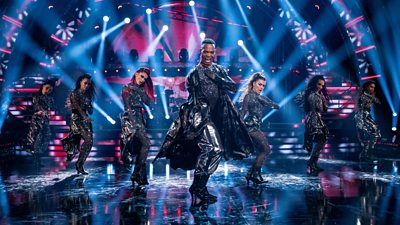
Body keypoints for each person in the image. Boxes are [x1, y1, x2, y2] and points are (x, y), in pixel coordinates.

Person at [154, 38, 253, 208]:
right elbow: (191, 100)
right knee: (214, 149)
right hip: (201, 118)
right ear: (201, 52)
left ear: (214, 53)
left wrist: (216, 77)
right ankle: (197, 187)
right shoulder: (193, 74)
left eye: (211, 52)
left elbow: (233, 88)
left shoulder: (219, 70)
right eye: (205, 52)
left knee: (215, 151)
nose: (208, 55)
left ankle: (200, 187)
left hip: (217, 118)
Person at [239, 72, 279, 184]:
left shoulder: (253, 97)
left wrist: (265, 100)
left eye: (263, 85)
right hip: (251, 127)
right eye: (259, 84)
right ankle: (255, 175)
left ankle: (251, 174)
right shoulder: (253, 96)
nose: (261, 87)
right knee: (266, 150)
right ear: (253, 84)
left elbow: (277, 106)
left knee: (263, 150)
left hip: (253, 127)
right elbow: (243, 113)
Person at [120, 67, 155, 186]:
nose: (142, 80)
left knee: (143, 146)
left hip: (140, 117)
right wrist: (133, 121)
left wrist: (143, 91)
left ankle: (138, 175)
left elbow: (148, 102)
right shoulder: (127, 88)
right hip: (130, 118)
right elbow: (127, 105)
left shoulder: (141, 89)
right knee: (145, 143)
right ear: (136, 74)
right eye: (141, 76)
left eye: (145, 78)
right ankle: (136, 173)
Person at [62, 74, 96, 175]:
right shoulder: (74, 93)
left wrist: (90, 107)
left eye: (89, 84)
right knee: (86, 140)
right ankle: (76, 160)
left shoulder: (88, 95)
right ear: (80, 82)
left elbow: (90, 111)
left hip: (86, 119)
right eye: (85, 83)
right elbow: (77, 108)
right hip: (77, 119)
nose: (87, 86)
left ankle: (80, 164)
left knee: (90, 142)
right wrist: (85, 117)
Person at [296, 75, 329, 175]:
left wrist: (322, 96)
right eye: (319, 84)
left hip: (318, 118)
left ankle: (313, 162)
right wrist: (305, 109)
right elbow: (298, 99)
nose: (320, 87)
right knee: (320, 138)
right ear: (314, 83)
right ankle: (311, 161)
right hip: (312, 118)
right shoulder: (309, 93)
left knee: (322, 139)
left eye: (322, 85)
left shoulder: (319, 94)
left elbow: (325, 109)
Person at [26, 79, 55, 154]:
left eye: (50, 89)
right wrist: (46, 113)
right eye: (47, 88)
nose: (48, 90)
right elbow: (38, 107)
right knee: (36, 138)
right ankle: (34, 156)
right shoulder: (36, 96)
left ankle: (38, 155)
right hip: (37, 120)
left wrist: (49, 113)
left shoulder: (50, 98)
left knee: (46, 136)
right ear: (43, 86)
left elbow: (51, 108)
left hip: (45, 120)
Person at [354, 81, 380, 160]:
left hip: (367, 116)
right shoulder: (362, 96)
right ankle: (365, 154)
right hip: (361, 117)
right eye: (371, 87)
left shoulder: (369, 96)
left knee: (374, 134)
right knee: (368, 135)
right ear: (366, 87)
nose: (372, 89)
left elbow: (378, 102)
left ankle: (367, 154)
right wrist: (360, 122)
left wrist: (372, 97)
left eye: (373, 87)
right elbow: (360, 109)